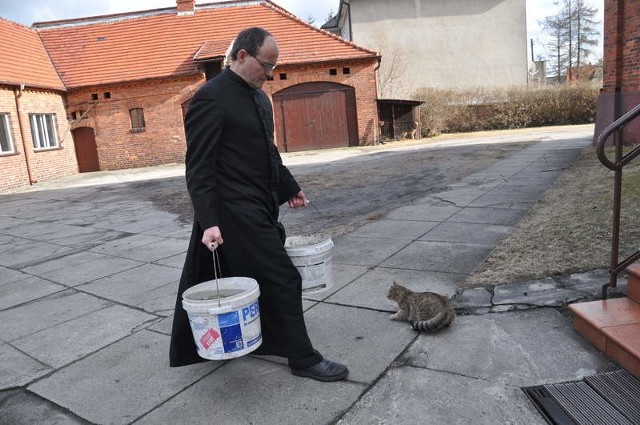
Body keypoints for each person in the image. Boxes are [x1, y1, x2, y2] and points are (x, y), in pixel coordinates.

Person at [169, 27, 348, 382]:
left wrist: (288, 186)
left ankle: (239, 338)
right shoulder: (211, 98)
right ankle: (302, 358)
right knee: (283, 278)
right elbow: (199, 168)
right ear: (241, 56)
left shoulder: (261, 98)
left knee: (249, 277)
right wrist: (209, 221)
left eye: (273, 67)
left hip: (261, 204)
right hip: (234, 211)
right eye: (265, 66)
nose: (269, 74)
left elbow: (268, 151)